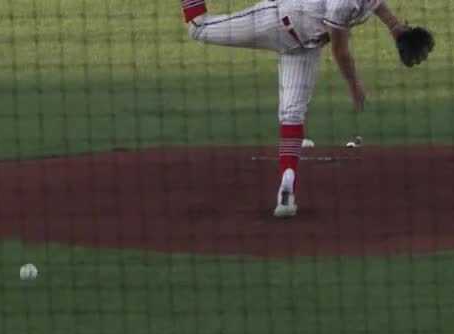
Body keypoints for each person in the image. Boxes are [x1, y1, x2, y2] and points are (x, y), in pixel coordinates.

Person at [180, 0, 434, 217]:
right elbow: (340, 50)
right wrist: (354, 84)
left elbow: (375, 4)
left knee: (291, 114)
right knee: (198, 27)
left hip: (302, 46)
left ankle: (286, 189)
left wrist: (396, 28)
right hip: (276, 23)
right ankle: (286, 187)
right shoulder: (342, 4)